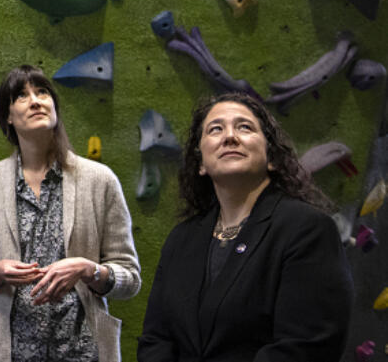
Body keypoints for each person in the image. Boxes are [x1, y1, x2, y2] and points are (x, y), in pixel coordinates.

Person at [138, 91, 353, 361]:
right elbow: (155, 339)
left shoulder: (308, 229)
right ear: (201, 163)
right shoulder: (181, 238)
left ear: (271, 157)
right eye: (215, 129)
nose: (230, 136)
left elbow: (305, 346)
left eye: (245, 127)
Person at [0, 65, 141, 362]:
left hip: (83, 352)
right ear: (8, 117)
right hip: (7, 352)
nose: (36, 100)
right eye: (22, 95)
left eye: (42, 92)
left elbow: (129, 278)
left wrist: (87, 269)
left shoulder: (99, 179)